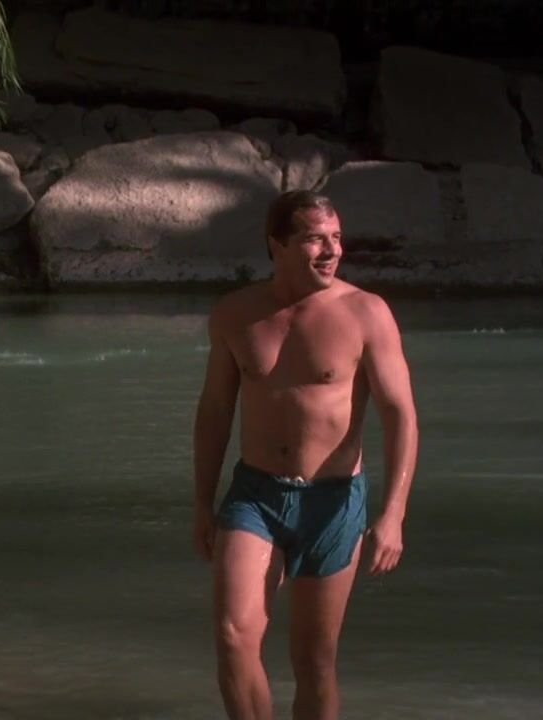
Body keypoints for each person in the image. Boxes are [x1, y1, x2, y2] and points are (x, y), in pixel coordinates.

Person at [192, 190, 419, 720]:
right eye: (316, 239)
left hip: (333, 501)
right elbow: (215, 412)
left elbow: (401, 416)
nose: (333, 250)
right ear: (277, 244)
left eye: (337, 238)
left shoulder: (366, 313)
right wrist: (202, 502)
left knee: (313, 661)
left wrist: (394, 514)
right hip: (255, 495)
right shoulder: (236, 314)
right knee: (233, 637)